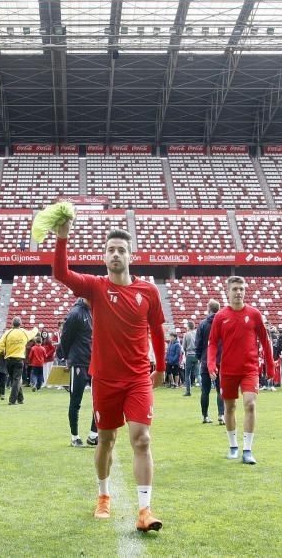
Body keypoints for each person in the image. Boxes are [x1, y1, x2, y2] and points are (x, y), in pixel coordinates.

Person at [53, 221, 166, 532]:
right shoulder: (96, 287)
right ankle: (103, 496)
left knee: (141, 439)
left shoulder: (148, 292)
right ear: (104, 257)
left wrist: (162, 367)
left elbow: (156, 329)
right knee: (106, 439)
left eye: (122, 250)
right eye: (111, 250)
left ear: (131, 256)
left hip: (137, 379)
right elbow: (61, 274)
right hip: (104, 379)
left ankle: (145, 509)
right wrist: (63, 238)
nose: (116, 254)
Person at [206, 276, 274, 465]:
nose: (238, 292)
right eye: (235, 289)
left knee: (250, 405)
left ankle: (248, 450)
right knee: (229, 408)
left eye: (241, 289)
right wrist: (211, 364)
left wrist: (270, 365)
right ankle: (233, 446)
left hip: (249, 369)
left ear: (245, 291)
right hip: (228, 370)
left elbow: (265, 341)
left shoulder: (254, 314)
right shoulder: (220, 316)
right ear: (228, 292)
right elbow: (212, 342)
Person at [62, 298, 98, 448]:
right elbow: (65, 337)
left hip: (92, 362)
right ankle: (75, 436)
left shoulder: (91, 312)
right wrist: (68, 358)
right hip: (78, 362)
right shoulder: (75, 313)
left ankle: (93, 434)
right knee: (75, 400)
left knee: (100, 400)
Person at [0, 317, 38, 405]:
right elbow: (33, 333)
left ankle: (20, 399)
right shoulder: (24, 332)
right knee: (16, 379)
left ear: (12, 324)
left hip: (9, 360)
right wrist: (36, 328)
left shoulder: (7, 333)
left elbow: (0, 345)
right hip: (19, 360)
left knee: (14, 379)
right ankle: (12, 400)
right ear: (20, 323)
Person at [195, 300, 225, 425]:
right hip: (220, 361)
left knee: (205, 390)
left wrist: (200, 357)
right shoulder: (223, 323)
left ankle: (205, 416)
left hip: (206, 360)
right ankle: (221, 415)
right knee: (220, 389)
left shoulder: (202, 324)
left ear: (209, 309)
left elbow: (198, 344)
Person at [181, 320, 198, 396]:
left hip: (189, 355)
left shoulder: (186, 334)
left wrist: (185, 352)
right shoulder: (197, 333)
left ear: (188, 326)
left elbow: (184, 346)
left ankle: (188, 391)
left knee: (187, 374)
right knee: (198, 374)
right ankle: (203, 388)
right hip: (196, 355)